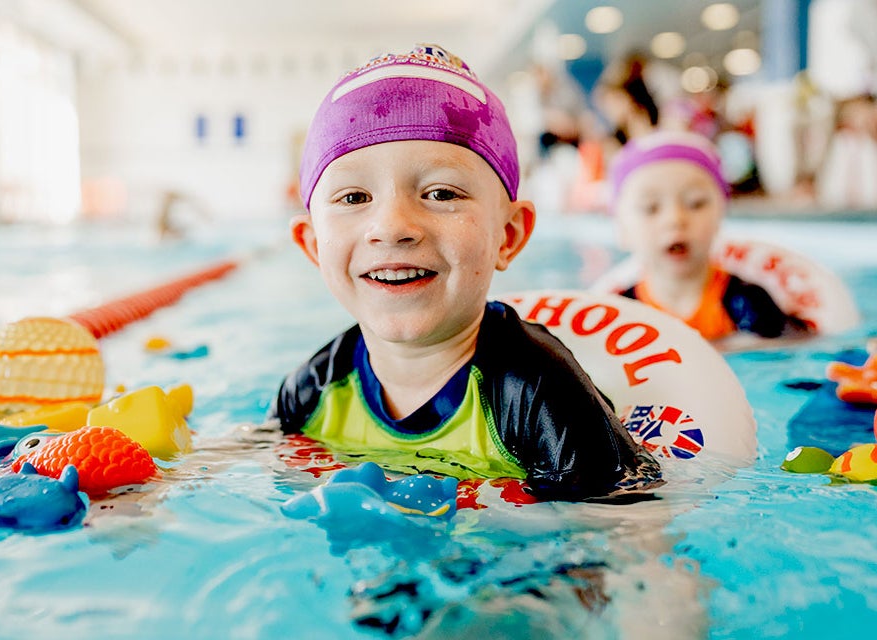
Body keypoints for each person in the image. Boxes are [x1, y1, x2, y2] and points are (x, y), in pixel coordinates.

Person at [267, 44, 662, 502]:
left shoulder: (539, 391)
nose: (392, 227)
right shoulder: (313, 389)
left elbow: (620, 524)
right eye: (354, 198)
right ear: (313, 245)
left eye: (440, 193)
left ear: (508, 235)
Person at [609, 130, 808, 341]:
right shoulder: (619, 313)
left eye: (696, 203)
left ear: (721, 214)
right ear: (622, 228)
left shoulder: (748, 302)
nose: (675, 219)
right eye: (650, 208)